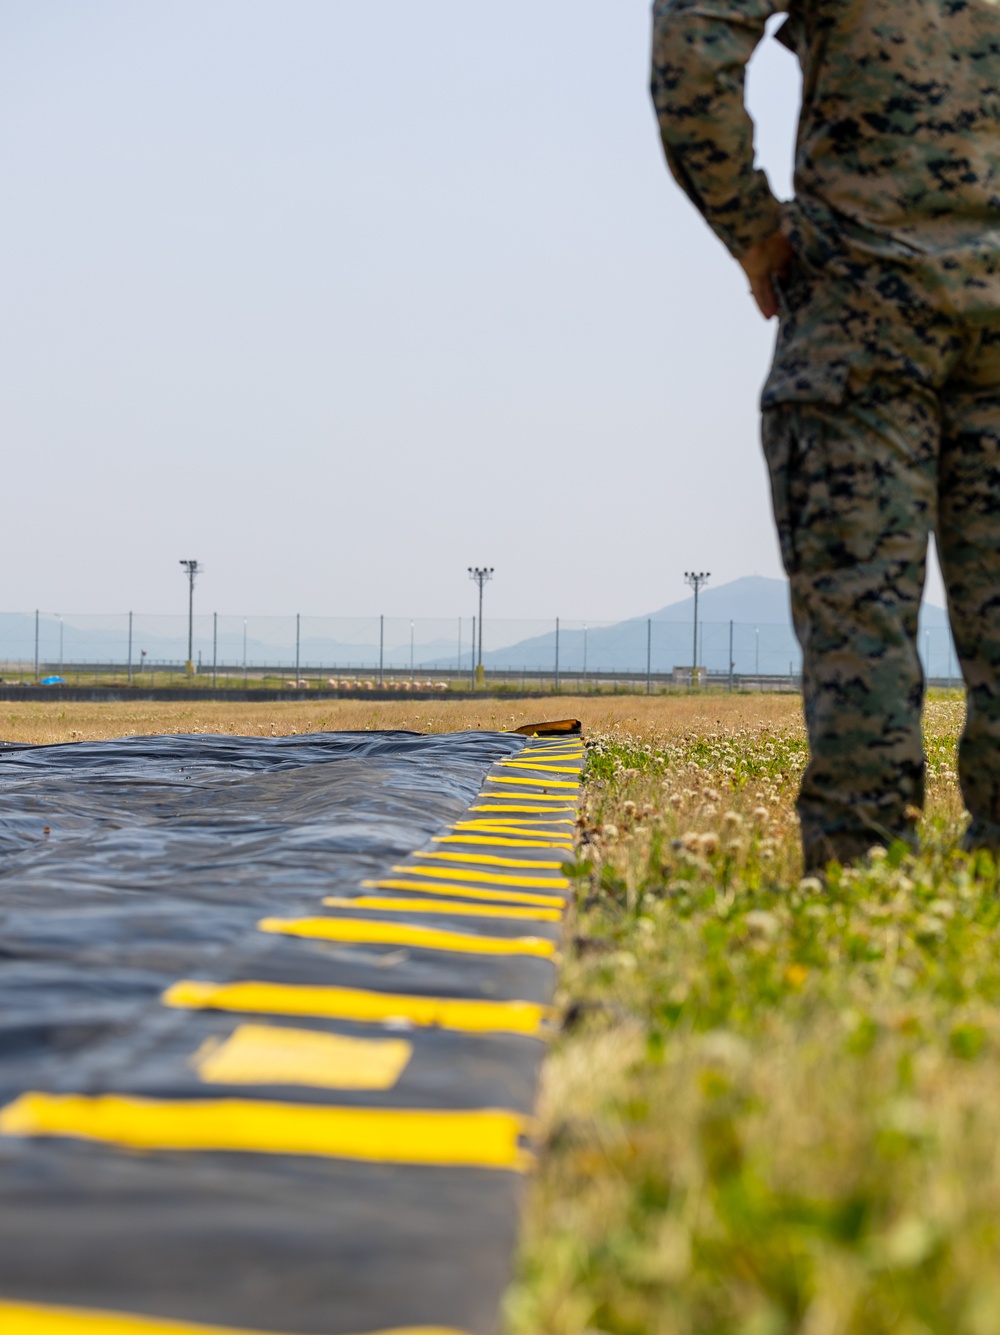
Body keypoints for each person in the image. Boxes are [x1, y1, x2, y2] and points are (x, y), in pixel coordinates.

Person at [651, 0, 1000, 871]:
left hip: (864, 301)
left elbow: (692, 51)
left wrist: (753, 229)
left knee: (859, 619)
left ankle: (861, 873)